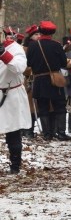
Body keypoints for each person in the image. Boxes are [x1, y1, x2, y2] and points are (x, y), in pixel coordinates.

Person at [26, 21, 71, 141]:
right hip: (54, 79)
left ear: (40, 32)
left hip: (39, 80)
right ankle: (61, 132)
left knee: (43, 107)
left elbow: (28, 63)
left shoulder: (33, 46)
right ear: (52, 33)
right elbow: (63, 63)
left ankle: (47, 134)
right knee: (60, 106)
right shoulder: (56, 45)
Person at [0, 32, 28, 173]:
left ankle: (15, 165)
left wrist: (3, 54)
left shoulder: (16, 49)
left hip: (11, 95)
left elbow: (19, 68)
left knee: (13, 132)